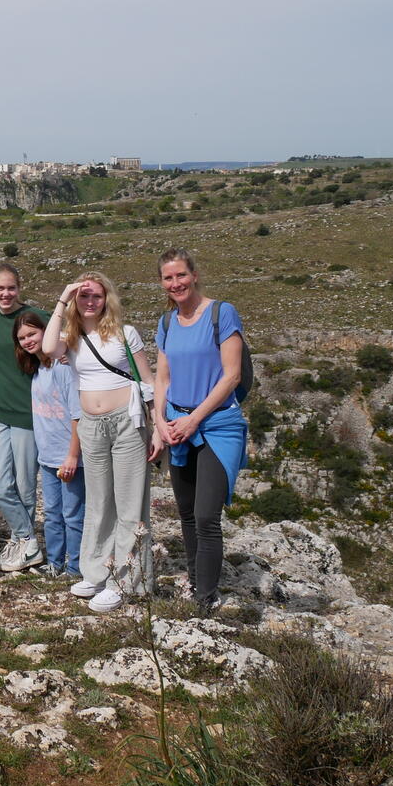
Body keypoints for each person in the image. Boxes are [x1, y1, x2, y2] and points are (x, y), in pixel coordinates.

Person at [41, 272, 162, 613]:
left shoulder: (125, 334)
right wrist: (64, 296)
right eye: (83, 296)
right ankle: (97, 572)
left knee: (129, 503)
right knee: (98, 501)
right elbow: (47, 348)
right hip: (91, 425)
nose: (90, 301)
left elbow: (148, 381)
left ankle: (127, 581)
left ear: (107, 298)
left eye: (96, 295)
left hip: (127, 422)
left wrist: (157, 428)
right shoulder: (71, 337)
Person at [153, 249, 249, 617]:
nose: (175, 283)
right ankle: (195, 584)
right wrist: (160, 421)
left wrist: (194, 420)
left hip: (217, 425)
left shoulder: (221, 313)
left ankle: (206, 601)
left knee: (207, 516)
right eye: (168, 278)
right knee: (188, 513)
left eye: (181, 275)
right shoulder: (167, 323)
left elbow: (232, 375)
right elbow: (163, 378)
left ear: (194, 275)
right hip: (177, 425)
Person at [0, 263, 43, 572]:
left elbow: (63, 339)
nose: (5, 294)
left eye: (11, 288)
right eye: (0, 288)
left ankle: (21, 544)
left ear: (20, 288)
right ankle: (27, 539)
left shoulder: (34, 316)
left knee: (25, 486)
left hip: (27, 413)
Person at [14, 310, 85, 579]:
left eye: (32, 334)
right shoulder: (37, 369)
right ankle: (55, 563)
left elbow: (77, 415)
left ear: (45, 332)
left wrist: (72, 455)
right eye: (22, 338)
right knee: (53, 513)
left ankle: (75, 567)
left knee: (73, 514)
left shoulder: (63, 367)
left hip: (69, 456)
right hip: (47, 456)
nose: (28, 341)